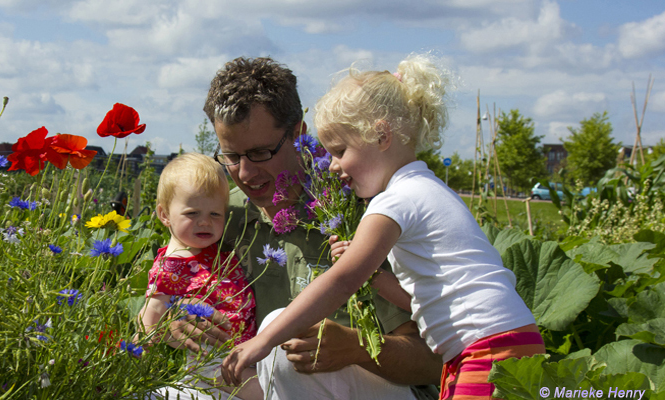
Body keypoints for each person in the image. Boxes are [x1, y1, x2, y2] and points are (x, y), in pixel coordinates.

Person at [220, 54, 545, 400]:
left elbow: (343, 279)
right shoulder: (430, 189)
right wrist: (376, 276)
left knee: (275, 328)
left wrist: (263, 341)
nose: (331, 166)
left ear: (381, 136)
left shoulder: (392, 202)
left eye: (341, 151)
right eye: (329, 154)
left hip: (483, 348)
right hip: (506, 339)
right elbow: (422, 299)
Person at [160, 56, 443, 399]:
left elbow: (435, 363)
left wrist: (357, 348)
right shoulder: (219, 217)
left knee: (281, 343)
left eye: (261, 152)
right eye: (231, 156)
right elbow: (167, 286)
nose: (245, 174)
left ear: (298, 133)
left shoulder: (365, 216)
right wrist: (175, 323)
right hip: (260, 388)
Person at [140, 153, 262, 399]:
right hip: (210, 360)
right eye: (192, 213)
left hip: (242, 352)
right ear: (164, 215)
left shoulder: (212, 252)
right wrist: (139, 353)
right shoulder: (171, 266)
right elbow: (149, 319)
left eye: (215, 214)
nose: (205, 222)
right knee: (269, 391)